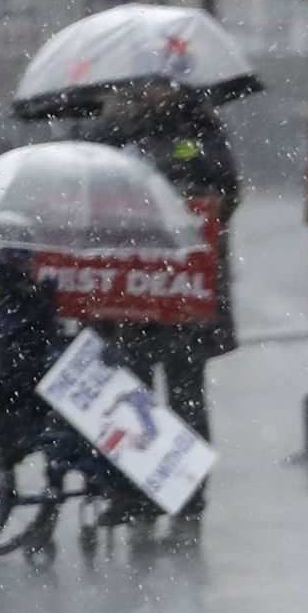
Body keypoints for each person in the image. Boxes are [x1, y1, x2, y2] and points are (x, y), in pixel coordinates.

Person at [75, 79, 239, 525]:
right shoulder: (112, 130)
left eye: (160, 86)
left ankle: (188, 491)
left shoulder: (199, 129)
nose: (152, 95)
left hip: (181, 292)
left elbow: (225, 189)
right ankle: (136, 493)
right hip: (133, 294)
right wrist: (114, 122)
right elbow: (83, 178)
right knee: (133, 395)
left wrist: (189, 202)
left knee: (186, 392)